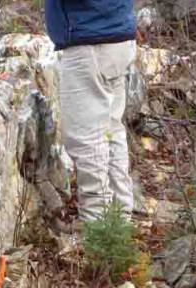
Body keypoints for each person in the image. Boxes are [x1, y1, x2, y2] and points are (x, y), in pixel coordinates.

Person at [45, 0, 137, 230]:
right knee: (111, 131)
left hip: (90, 41)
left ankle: (98, 226)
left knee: (86, 140)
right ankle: (120, 217)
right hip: (116, 34)